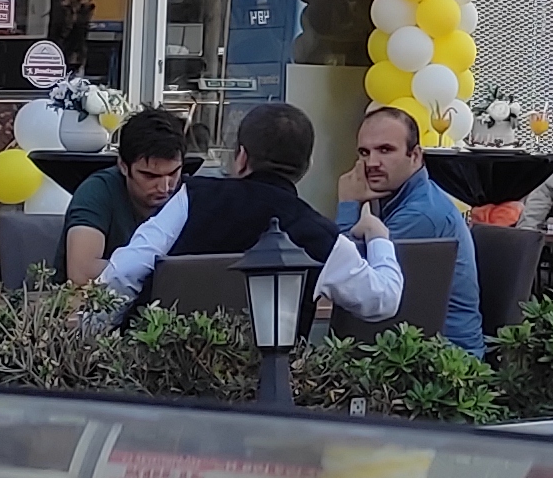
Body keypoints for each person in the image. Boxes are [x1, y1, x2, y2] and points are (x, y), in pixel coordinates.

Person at [95, 101, 400, 324]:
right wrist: (378, 237)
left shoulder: (193, 196)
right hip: (263, 383)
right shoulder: (319, 236)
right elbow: (383, 300)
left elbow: (125, 272)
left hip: (163, 372)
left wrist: (92, 340)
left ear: (241, 157)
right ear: (306, 167)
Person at [338, 105, 484, 351]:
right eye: (364, 152)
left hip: (445, 358)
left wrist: (347, 203)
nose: (371, 163)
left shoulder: (421, 214)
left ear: (415, 156)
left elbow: (351, 281)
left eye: (385, 150)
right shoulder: (401, 197)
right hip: (410, 344)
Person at [61, 107, 191, 285]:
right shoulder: (97, 191)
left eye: (173, 173)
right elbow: (81, 273)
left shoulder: (187, 192)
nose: (165, 187)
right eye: (150, 176)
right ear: (123, 166)